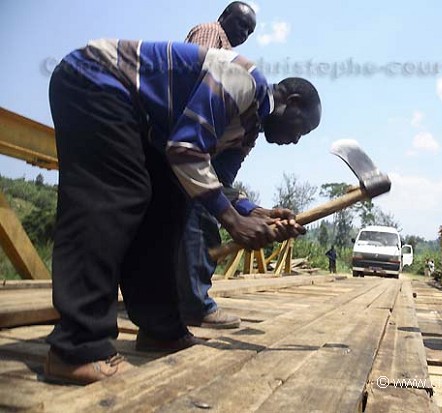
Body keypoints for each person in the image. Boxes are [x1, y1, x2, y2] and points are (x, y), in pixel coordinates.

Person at [44, 39, 321, 385]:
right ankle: (76, 349)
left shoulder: (245, 132)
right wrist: (233, 221)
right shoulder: (245, 82)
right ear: (292, 102)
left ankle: (159, 329)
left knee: (170, 204)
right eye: (301, 128)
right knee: (118, 193)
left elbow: (214, 182)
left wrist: (256, 212)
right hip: (95, 78)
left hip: (141, 121)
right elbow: (186, 149)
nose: (295, 140)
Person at [178, 1, 257, 330]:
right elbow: (195, 80)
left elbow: (225, 175)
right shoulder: (212, 33)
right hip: (186, 136)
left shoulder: (248, 123)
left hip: (200, 147)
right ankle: (195, 304)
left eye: (250, 32)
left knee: (204, 213)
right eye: (242, 25)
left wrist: (246, 207)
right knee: (201, 218)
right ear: (225, 17)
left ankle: (186, 298)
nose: (244, 34)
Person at [186, 1, 256, 48]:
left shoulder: (226, 50)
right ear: (224, 16)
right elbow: (203, 65)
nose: (245, 33)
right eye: (241, 24)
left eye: (249, 32)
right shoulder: (212, 30)